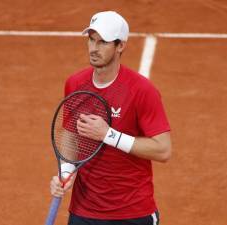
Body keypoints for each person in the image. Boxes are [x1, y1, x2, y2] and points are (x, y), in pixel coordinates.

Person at [50, 11, 172, 225]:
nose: (94, 48)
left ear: (120, 46)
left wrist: (109, 135)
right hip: (84, 211)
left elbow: (163, 150)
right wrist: (65, 172)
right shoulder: (75, 84)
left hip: (132, 213)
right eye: (91, 39)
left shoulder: (141, 90)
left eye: (103, 42)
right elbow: (70, 135)